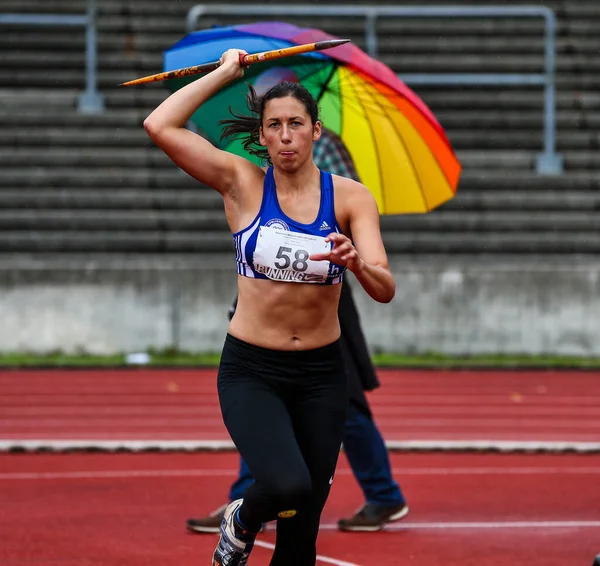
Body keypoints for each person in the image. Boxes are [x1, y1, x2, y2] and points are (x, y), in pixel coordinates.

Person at [144, 48, 396, 566]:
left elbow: (385, 286)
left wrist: (357, 263)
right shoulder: (242, 184)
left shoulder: (351, 199)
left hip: (324, 376)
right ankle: (241, 517)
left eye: (296, 124)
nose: (285, 135)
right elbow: (159, 123)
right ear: (261, 136)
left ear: (315, 131)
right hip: (252, 370)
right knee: (286, 485)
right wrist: (225, 73)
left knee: (301, 537)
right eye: (275, 125)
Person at [187, 279, 408, 535]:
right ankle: (246, 499)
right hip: (281, 313)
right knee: (265, 412)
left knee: (347, 407)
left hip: (318, 311)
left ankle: (383, 493)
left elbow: (375, 273)